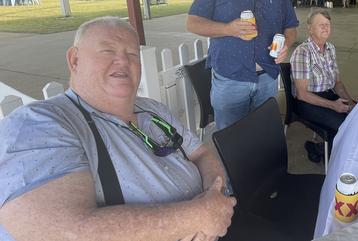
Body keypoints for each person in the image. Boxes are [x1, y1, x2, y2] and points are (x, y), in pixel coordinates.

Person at [0, 17, 236, 241]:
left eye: (132, 54)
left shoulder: (152, 109)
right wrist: (198, 216)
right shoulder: (40, 123)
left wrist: (214, 196)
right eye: (107, 51)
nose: (123, 61)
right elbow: (60, 232)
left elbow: (201, 153)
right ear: (74, 60)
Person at [187, 0, 298, 130]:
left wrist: (286, 44)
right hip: (230, 80)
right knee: (231, 139)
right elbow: (192, 22)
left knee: (262, 134)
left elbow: (290, 27)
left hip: (267, 79)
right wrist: (227, 29)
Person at [290, 9, 355, 162]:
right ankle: (321, 151)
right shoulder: (303, 52)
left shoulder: (330, 48)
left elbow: (337, 83)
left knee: (357, 116)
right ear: (310, 28)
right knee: (344, 126)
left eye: (327, 24)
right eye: (321, 25)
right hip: (307, 102)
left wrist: (350, 102)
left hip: (329, 95)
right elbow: (302, 94)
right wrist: (333, 105)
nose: (326, 28)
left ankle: (323, 151)